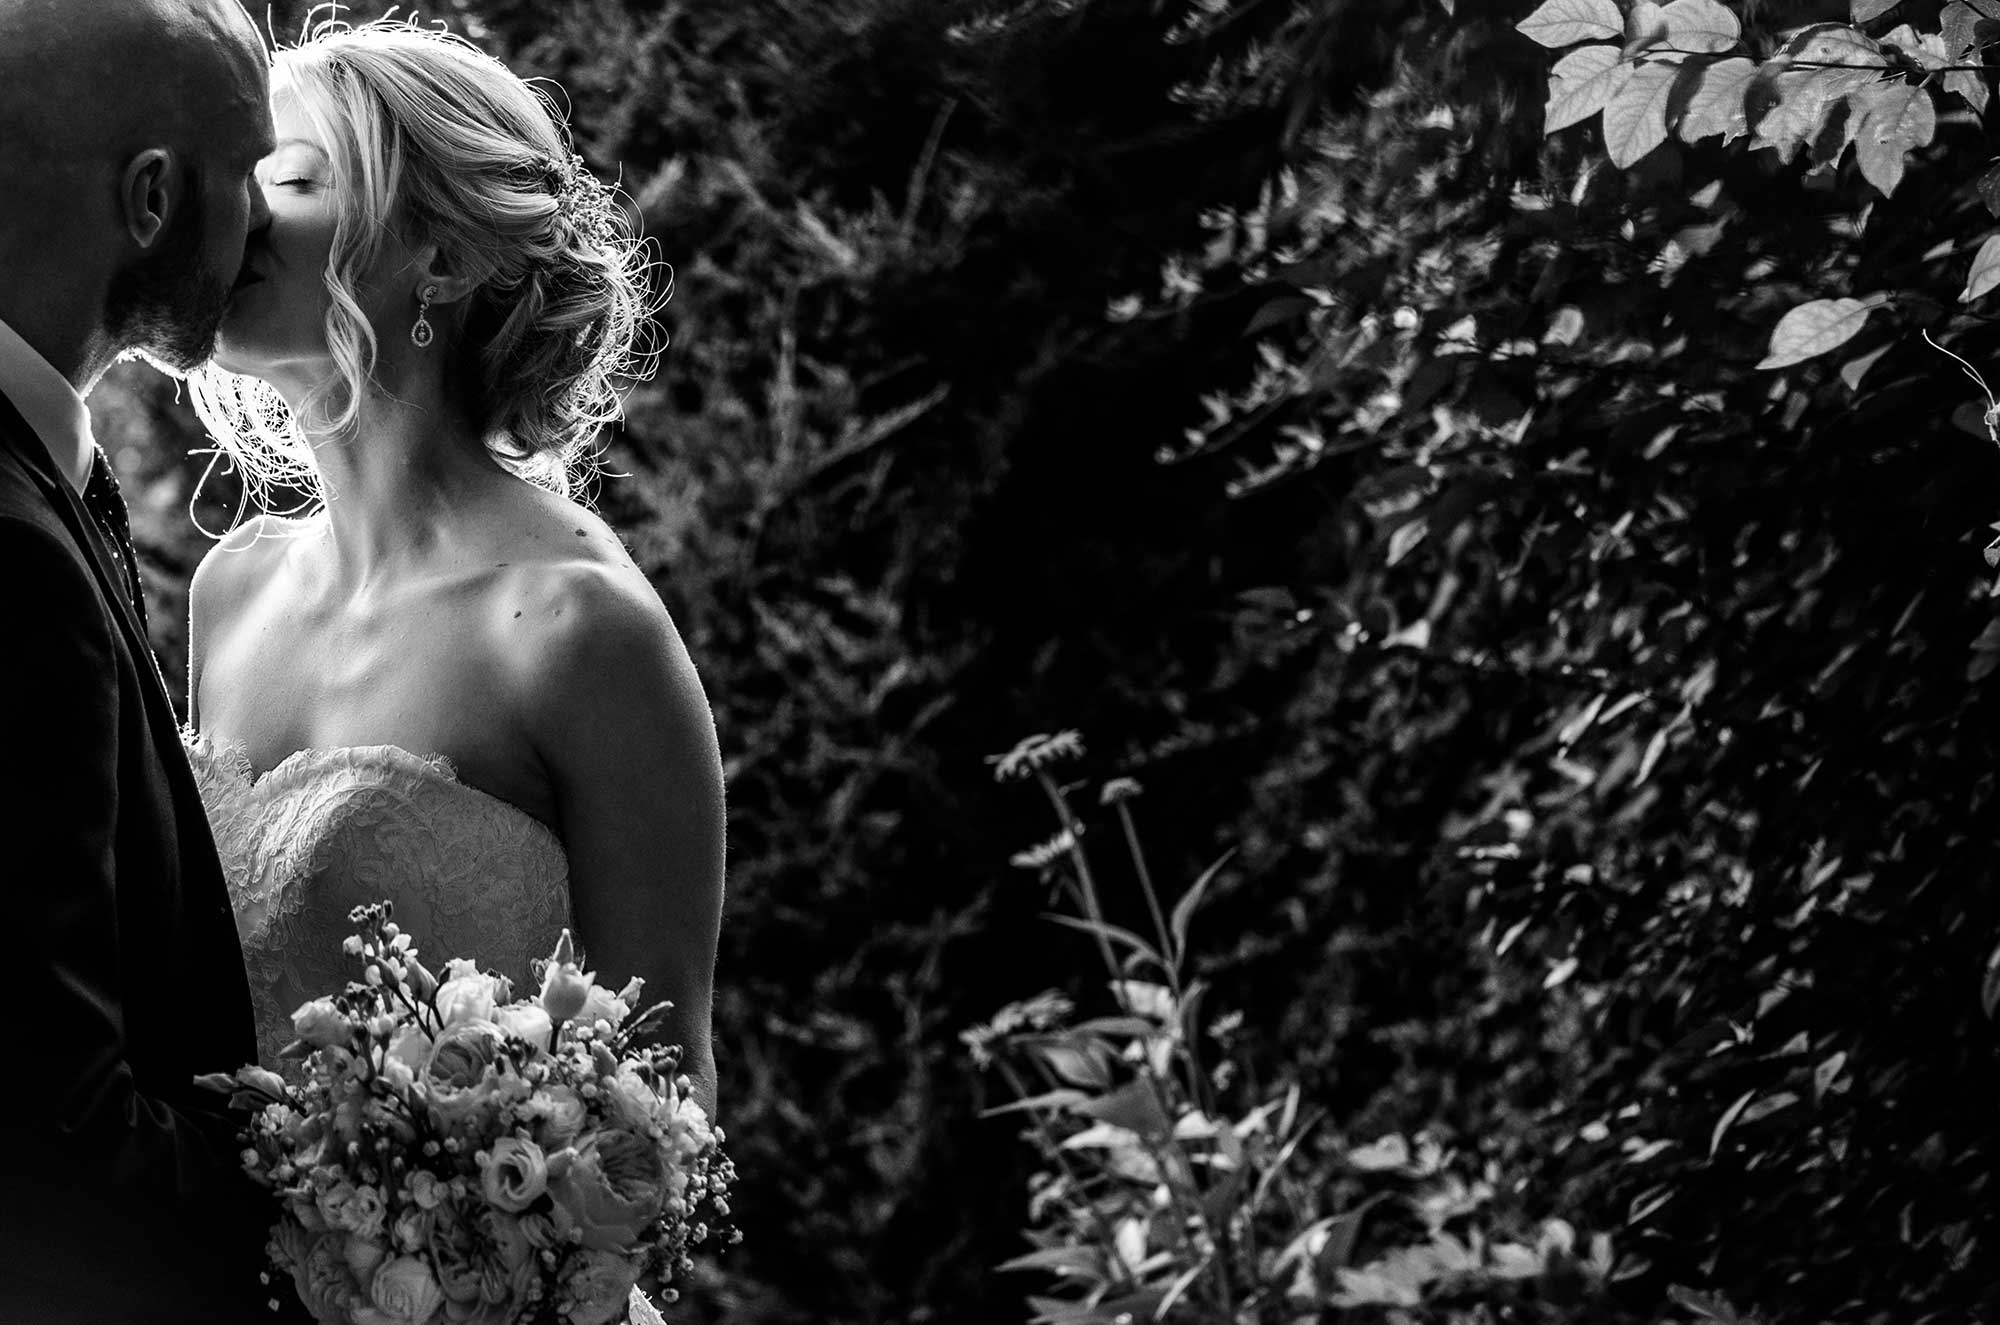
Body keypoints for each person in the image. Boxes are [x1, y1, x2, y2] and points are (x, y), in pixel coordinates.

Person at [180, 15, 726, 1148]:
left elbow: (659, 1110)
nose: (233, 212)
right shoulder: (230, 589)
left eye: (286, 178)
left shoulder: (575, 627)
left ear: (443, 254)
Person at [0, 1, 294, 1321]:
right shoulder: (10, 552)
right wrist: (318, 1245)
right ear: (156, 196)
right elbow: (45, 1122)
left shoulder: (49, 479)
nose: (265, 233)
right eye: (253, 177)